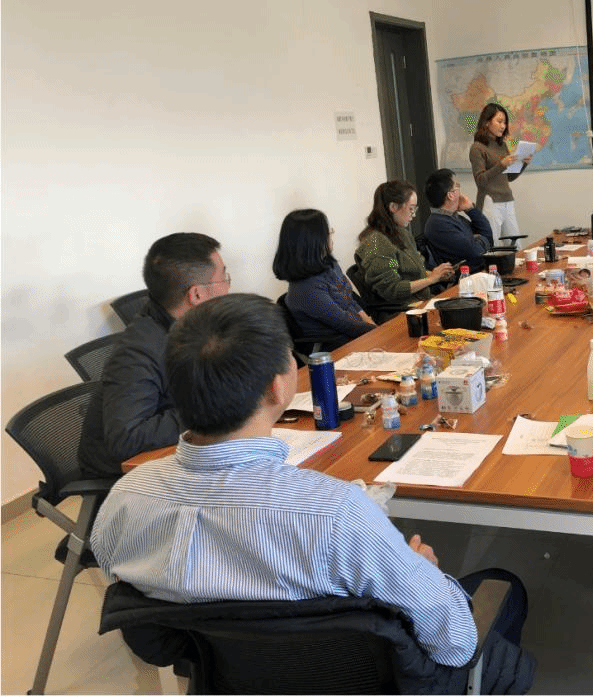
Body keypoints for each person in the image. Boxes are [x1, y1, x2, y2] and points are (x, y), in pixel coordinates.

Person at [91, 293, 535, 693]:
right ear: (277, 385)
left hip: (229, 680)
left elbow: (154, 634)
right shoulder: (335, 512)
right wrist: (423, 574)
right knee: (506, 589)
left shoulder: (125, 499)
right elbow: (456, 643)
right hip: (367, 681)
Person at [79, 232, 230, 478]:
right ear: (197, 294)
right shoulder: (137, 354)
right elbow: (127, 438)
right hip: (129, 475)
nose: (228, 286)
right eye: (224, 277)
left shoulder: (191, 322)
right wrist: (208, 410)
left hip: (185, 448)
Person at [352, 180, 454, 323]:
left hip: (418, 302)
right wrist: (431, 279)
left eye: (415, 209)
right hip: (400, 311)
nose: (413, 215)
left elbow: (413, 270)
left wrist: (437, 274)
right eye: (411, 209)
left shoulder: (401, 233)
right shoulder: (375, 242)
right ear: (393, 207)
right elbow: (392, 289)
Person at [272, 208, 374, 348]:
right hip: (339, 347)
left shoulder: (329, 265)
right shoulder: (306, 289)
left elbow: (349, 299)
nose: (331, 234)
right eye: (327, 232)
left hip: (357, 335)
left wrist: (369, 321)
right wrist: (378, 331)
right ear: (313, 241)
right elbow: (346, 324)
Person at [469, 103, 532, 248]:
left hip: (507, 200)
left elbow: (508, 177)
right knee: (494, 247)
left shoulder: (502, 145)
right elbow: (480, 180)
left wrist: (523, 164)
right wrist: (501, 164)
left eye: (505, 122)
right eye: (499, 121)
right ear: (486, 122)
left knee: (515, 246)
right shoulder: (477, 148)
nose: (503, 126)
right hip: (490, 202)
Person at [423, 168, 493, 273]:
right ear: (451, 195)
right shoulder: (438, 224)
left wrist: (471, 210)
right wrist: (480, 240)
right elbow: (477, 252)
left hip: (479, 271)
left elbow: (488, 235)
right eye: (458, 187)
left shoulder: (453, 217)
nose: (461, 193)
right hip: (466, 277)